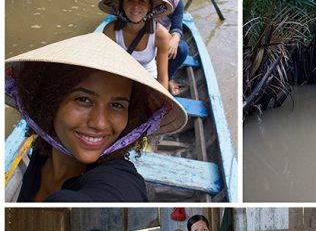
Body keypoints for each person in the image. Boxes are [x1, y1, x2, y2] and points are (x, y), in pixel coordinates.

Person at [5, 33, 187, 202]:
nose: (99, 123)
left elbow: (119, 194)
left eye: (117, 105)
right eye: (83, 100)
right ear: (50, 101)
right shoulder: (43, 151)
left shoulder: (119, 182)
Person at [99, 0, 174, 94]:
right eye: (130, 0)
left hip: (148, 81)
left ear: (150, 6)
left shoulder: (161, 35)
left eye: (142, 1)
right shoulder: (110, 31)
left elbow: (163, 78)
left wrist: (162, 102)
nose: (135, 6)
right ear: (122, 6)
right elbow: (105, 68)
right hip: (120, 78)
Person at [137, 0, 189, 84]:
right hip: (141, 34)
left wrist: (174, 39)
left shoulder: (176, 2)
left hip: (162, 37)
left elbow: (177, 27)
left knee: (182, 49)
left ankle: (168, 77)